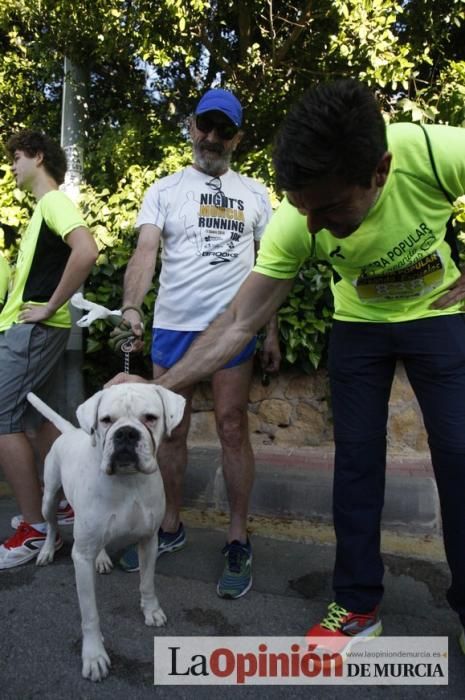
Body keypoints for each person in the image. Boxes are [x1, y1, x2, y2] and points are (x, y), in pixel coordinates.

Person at [111, 79, 465, 651]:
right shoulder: (296, 220)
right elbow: (237, 323)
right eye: (304, 211)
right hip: (360, 323)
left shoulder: (429, 150)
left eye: (328, 209)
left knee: (460, 455)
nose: (315, 228)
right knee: (354, 463)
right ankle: (356, 606)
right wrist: (154, 390)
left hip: (437, 313)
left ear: (380, 170)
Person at [116, 88, 280, 599]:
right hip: (174, 326)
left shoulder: (256, 194)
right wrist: (131, 306)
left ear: (237, 137)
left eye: (223, 130)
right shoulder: (164, 189)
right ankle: (170, 525)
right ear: (191, 128)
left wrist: (269, 329)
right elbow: (145, 252)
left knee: (233, 427)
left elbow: (271, 269)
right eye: (204, 127)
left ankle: (237, 537)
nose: (211, 138)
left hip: (235, 326)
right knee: (172, 431)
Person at [0, 130, 98, 569]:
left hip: (34, 331)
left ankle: (36, 529)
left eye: (17, 158)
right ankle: (65, 505)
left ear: (38, 157)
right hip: (32, 330)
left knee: (3, 418)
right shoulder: (44, 210)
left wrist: (50, 307)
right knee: (38, 418)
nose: (12, 167)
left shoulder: (54, 202)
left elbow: (87, 250)